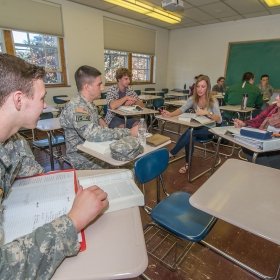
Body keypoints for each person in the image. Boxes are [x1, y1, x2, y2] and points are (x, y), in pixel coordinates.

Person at [0, 53, 109, 279]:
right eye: (42, 98)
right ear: (19, 100)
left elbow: (38, 179)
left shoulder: (15, 142)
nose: (46, 104)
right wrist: (73, 221)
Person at [60, 65, 139, 169]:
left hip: (95, 149)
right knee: (126, 166)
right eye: (99, 84)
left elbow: (91, 116)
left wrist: (99, 118)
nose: (102, 88)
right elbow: (93, 134)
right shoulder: (77, 107)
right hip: (83, 157)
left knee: (129, 159)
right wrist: (129, 132)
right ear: (87, 87)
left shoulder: (88, 103)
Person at [161, 75, 222, 173]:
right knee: (191, 136)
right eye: (198, 86)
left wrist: (207, 113)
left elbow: (219, 120)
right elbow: (182, 109)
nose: (200, 89)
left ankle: (172, 153)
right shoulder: (193, 99)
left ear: (208, 88)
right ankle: (187, 164)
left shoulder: (213, 101)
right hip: (197, 127)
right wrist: (170, 114)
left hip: (210, 129)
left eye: (203, 86)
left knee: (191, 132)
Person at [234, 95, 280, 169]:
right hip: (263, 145)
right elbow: (258, 120)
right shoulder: (273, 107)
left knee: (255, 155)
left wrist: (273, 136)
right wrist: (244, 124)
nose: (277, 98)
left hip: (276, 150)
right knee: (246, 145)